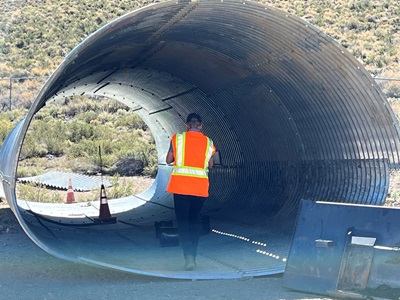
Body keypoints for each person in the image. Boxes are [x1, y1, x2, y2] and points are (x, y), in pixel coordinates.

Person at [166, 113, 216, 271]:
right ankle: (193, 256)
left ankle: (187, 257)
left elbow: (168, 159)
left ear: (187, 125)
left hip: (180, 187)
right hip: (200, 189)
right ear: (200, 125)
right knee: (194, 222)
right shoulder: (209, 142)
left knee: (183, 223)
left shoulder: (177, 139)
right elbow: (211, 164)